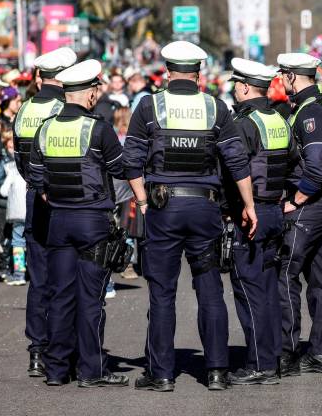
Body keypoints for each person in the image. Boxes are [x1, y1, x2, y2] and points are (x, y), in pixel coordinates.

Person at [123, 41, 256, 392]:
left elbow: (131, 160)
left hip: (163, 209)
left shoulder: (149, 106)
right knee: (210, 290)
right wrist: (249, 206)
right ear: (198, 73)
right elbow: (236, 162)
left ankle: (162, 374)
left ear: (167, 72)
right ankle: (216, 371)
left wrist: (143, 200)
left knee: (162, 293)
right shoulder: (215, 107)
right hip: (205, 209)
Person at [29, 58, 128, 387]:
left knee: (60, 296)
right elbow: (121, 169)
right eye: (96, 89)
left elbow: (36, 179)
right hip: (92, 222)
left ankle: (56, 370)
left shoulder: (46, 128)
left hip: (58, 220)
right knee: (91, 298)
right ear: (89, 94)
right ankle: (91, 370)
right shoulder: (98, 128)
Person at [224, 58, 297, 385]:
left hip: (248, 213)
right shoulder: (278, 119)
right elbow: (295, 162)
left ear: (242, 87)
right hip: (274, 211)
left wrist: (231, 207)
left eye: (235, 85)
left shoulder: (243, 124)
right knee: (267, 290)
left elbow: (233, 170)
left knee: (248, 290)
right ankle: (272, 357)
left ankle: (259, 364)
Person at [276, 52, 322, 376]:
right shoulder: (317, 106)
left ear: (292, 76)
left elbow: (316, 166)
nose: (280, 80)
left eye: (283, 75)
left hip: (311, 201)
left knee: (285, 272)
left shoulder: (310, 113)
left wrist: (297, 199)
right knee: (320, 277)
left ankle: (286, 354)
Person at [13, 47, 76, 377]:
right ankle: (64, 348)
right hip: (67, 201)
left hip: (34, 198)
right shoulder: (65, 108)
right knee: (67, 278)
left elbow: (20, 160)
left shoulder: (24, 109)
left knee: (38, 279)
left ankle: (37, 351)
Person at [0, 132, 27, 286]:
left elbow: (3, 191)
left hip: (16, 213)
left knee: (18, 243)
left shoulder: (12, 169)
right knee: (34, 241)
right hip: (32, 211)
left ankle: (19, 274)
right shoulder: (32, 168)